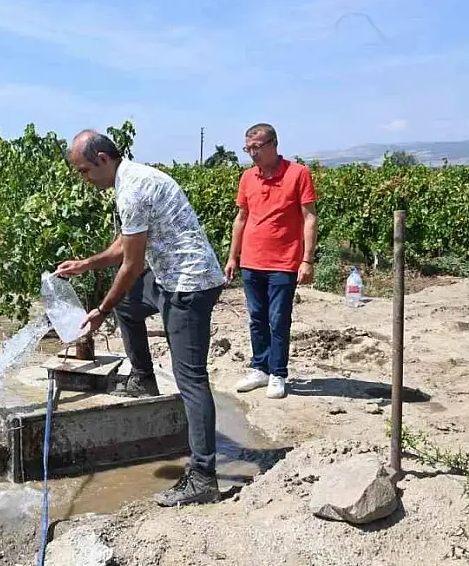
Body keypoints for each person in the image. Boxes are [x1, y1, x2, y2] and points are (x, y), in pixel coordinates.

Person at [54, 129, 227, 507]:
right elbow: (126, 244)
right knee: (130, 304)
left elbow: (131, 265)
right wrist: (88, 264)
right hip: (169, 277)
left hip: (189, 285)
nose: (84, 180)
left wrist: (99, 309)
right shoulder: (129, 180)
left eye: (84, 171)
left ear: (102, 160)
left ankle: (203, 476)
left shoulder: (132, 189)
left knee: (191, 379)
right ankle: (143, 379)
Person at [224, 123, 318, 399]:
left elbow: (309, 217)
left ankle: (278, 373)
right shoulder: (247, 177)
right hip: (252, 261)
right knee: (256, 318)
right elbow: (241, 218)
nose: (252, 153)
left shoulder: (298, 173)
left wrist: (307, 260)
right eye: (248, 148)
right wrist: (233, 256)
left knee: (278, 319)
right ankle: (259, 368)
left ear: (274, 144)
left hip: (284, 262)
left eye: (257, 147)